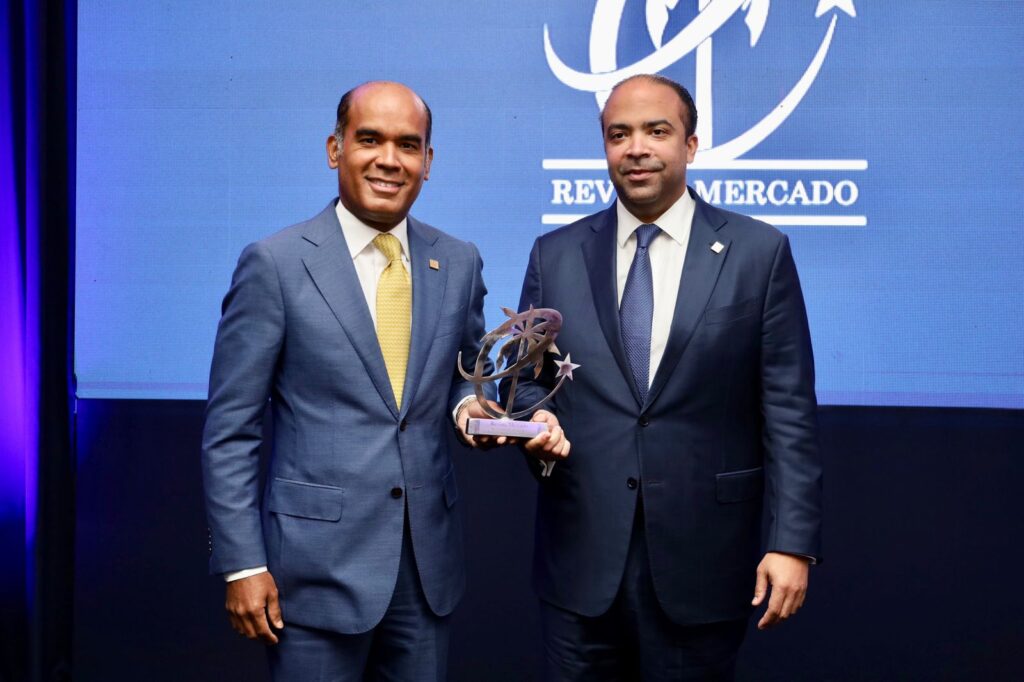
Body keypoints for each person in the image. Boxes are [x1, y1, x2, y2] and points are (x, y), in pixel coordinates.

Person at [503, 74, 823, 680]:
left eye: (657, 131)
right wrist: (533, 421)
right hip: (580, 562)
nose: (637, 149)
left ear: (691, 145)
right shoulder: (554, 254)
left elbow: (789, 413)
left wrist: (791, 541)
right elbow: (524, 385)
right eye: (618, 134)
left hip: (704, 561)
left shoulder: (759, 253)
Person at [201, 80, 504, 680]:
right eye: (370, 140)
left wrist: (472, 407)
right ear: (335, 149)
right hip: (310, 578)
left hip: (425, 573)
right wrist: (241, 564)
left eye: (408, 145)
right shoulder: (275, 263)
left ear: (428, 161)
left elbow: (469, 376)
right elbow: (230, 431)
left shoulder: (459, 260)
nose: (390, 160)